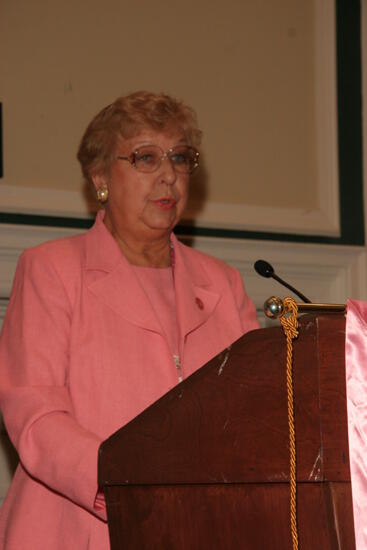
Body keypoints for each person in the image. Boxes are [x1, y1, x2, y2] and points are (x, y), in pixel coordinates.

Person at [0, 91, 259, 549]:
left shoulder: (224, 285)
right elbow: (35, 416)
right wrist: (127, 486)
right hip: (81, 526)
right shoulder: (51, 270)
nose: (168, 175)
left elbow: (255, 416)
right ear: (100, 177)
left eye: (180, 158)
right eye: (145, 158)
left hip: (203, 527)